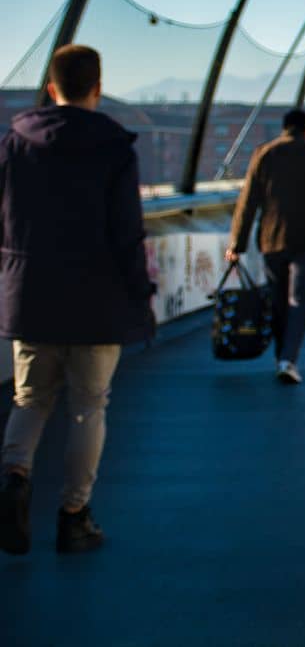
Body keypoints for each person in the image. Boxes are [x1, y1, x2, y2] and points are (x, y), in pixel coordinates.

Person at [0, 45, 156, 555]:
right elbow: (127, 234)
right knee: (89, 408)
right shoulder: (114, 149)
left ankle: (15, 477)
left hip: (31, 294)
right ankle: (74, 515)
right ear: (98, 87)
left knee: (30, 399)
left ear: (51, 88)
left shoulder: (15, 144)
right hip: (97, 299)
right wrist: (140, 297)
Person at [227, 108, 305, 385]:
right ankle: (288, 359)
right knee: (301, 300)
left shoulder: (264, 154)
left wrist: (237, 243)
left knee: (278, 300)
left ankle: (281, 356)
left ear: (284, 128)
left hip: (272, 240)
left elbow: (248, 203)